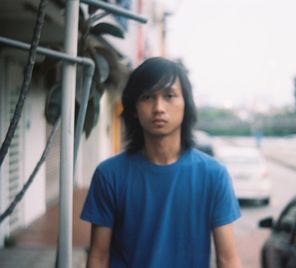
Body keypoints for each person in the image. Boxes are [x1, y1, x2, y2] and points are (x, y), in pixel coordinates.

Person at [80, 57, 242, 268]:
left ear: (186, 105)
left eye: (169, 96)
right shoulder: (109, 174)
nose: (159, 107)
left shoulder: (213, 175)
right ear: (134, 109)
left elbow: (228, 259)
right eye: (147, 97)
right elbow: (99, 257)